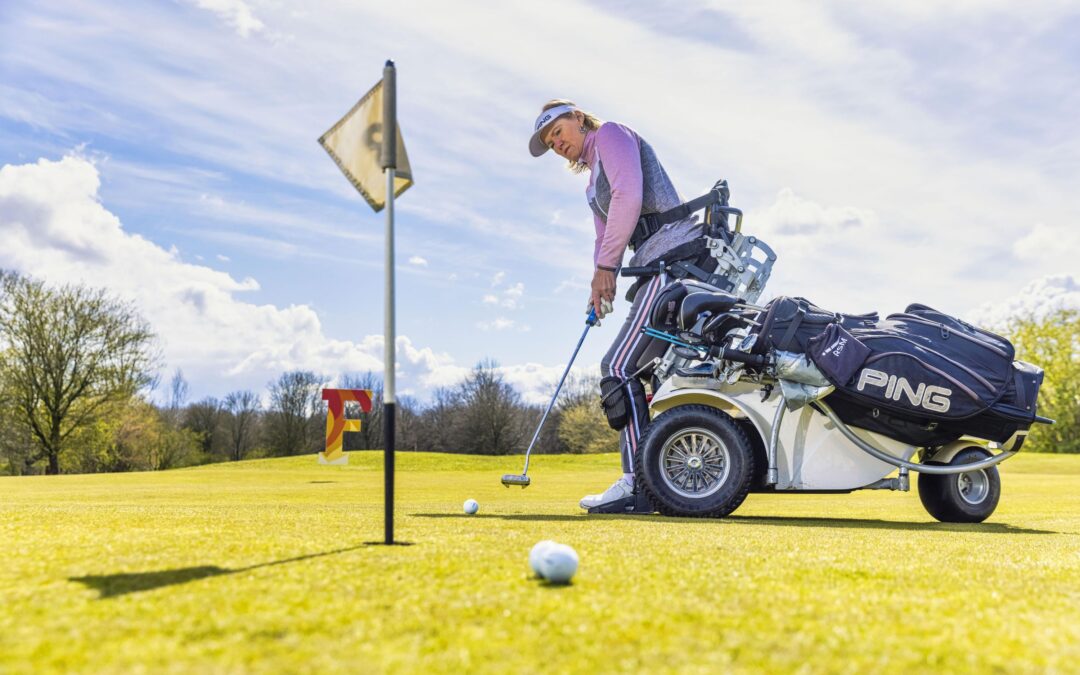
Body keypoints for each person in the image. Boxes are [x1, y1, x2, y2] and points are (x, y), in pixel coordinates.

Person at [529, 99, 710, 510]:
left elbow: (629, 195)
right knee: (653, 372)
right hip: (654, 265)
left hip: (675, 259)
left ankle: (636, 483)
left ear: (578, 119)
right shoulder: (592, 181)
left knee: (618, 368)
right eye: (548, 141)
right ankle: (662, 484)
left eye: (557, 131)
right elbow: (604, 236)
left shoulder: (610, 134)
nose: (556, 143)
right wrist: (598, 285)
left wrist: (608, 267)